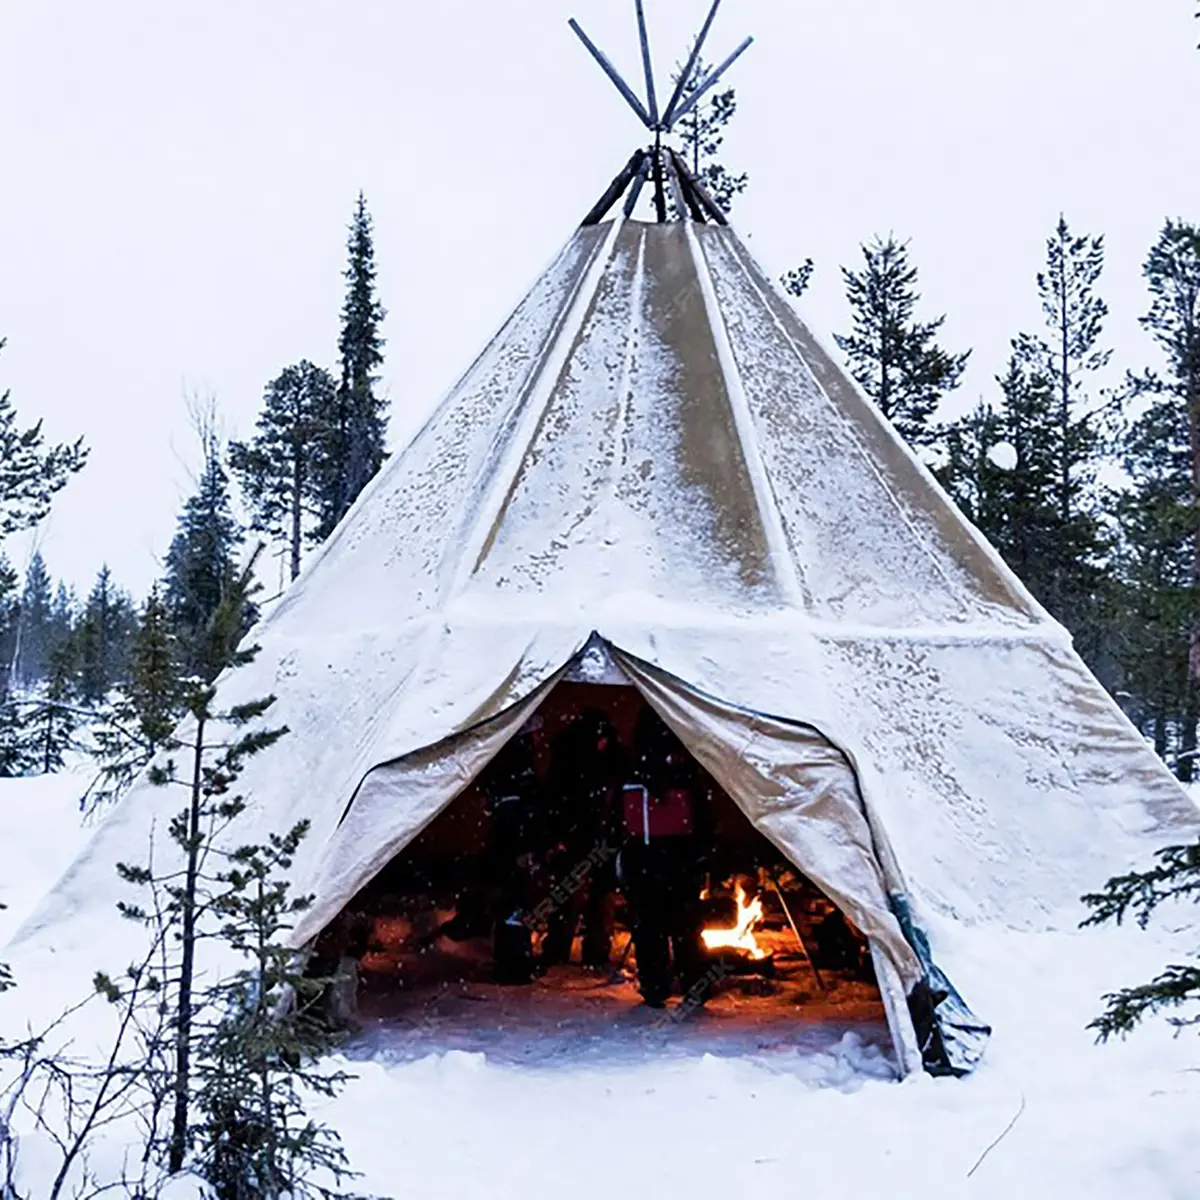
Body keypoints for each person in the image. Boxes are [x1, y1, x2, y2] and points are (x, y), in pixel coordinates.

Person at [617, 708, 712, 1009]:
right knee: (683, 928)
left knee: (651, 929)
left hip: (646, 857)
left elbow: (615, 818)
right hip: (676, 858)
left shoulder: (630, 771)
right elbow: (703, 817)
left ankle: (657, 987)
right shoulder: (685, 771)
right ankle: (692, 985)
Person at [539, 708, 623, 969]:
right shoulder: (596, 758)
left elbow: (554, 796)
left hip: (585, 834)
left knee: (578, 895)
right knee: (583, 896)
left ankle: (568, 950)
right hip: (587, 834)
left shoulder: (569, 756)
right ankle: (583, 952)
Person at [478, 728, 542, 984]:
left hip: (505, 842)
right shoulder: (518, 764)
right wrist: (527, 845)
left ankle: (510, 961)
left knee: (509, 904)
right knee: (514, 905)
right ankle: (515, 964)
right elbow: (527, 806)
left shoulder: (498, 759)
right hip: (513, 843)